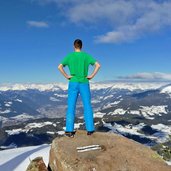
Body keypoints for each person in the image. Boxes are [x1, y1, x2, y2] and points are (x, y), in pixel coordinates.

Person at [58, 39, 101, 137]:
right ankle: (90, 130)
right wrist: (91, 75)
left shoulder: (69, 56)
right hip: (84, 83)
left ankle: (69, 130)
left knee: (71, 106)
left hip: (73, 82)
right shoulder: (86, 56)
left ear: (74, 46)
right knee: (87, 105)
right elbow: (98, 65)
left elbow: (59, 67)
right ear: (81, 46)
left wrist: (67, 76)